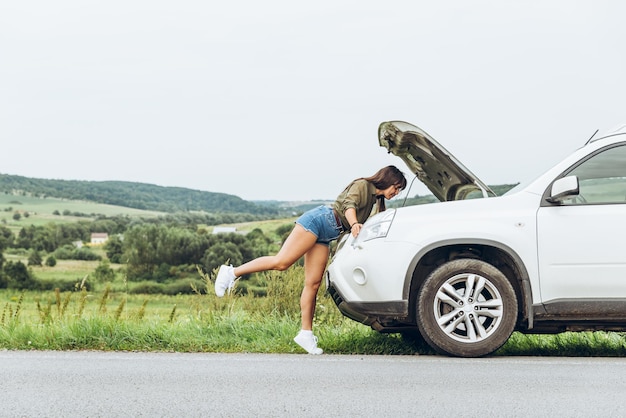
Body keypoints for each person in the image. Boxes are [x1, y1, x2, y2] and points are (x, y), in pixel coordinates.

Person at [214, 165, 407, 354]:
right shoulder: (364, 185)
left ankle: (305, 334)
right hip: (318, 221)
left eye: (399, 190)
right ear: (389, 180)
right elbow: (349, 206)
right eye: (396, 187)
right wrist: (355, 223)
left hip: (327, 234)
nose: (396, 192)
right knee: (282, 262)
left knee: (313, 284)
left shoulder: (376, 200)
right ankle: (231, 272)